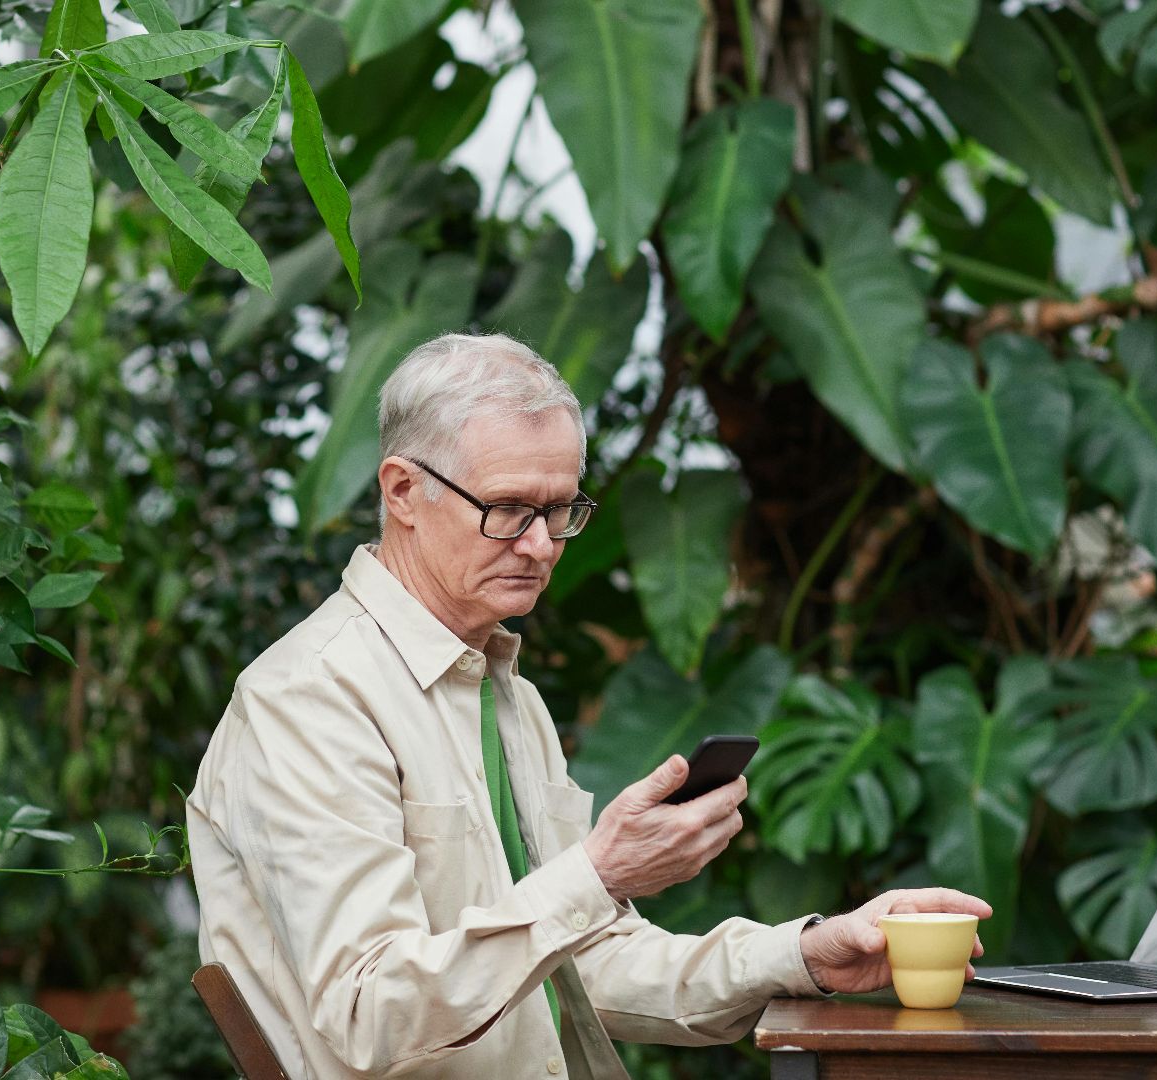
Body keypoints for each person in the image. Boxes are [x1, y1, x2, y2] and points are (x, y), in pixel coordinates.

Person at [185, 333, 990, 1079]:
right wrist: (597, 873)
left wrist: (809, 953)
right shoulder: (310, 698)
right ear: (403, 491)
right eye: (509, 510)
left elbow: (584, 963)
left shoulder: (506, 692)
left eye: (560, 510)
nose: (540, 545)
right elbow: (367, 1015)